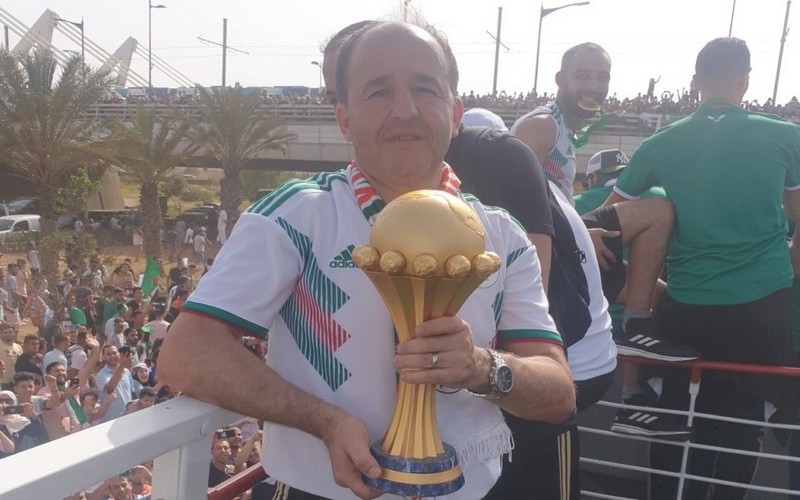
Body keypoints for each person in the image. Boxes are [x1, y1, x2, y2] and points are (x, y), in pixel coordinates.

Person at [159, 20, 575, 500]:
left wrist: (482, 367)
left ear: (456, 112)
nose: (405, 110)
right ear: (344, 119)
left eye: (426, 89)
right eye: (378, 92)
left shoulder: (503, 234)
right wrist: (323, 421)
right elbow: (186, 353)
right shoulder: (294, 216)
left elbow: (558, 393)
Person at [603, 38, 800, 500]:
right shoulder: (785, 135)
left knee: (675, 420)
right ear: (744, 79)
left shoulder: (661, 142)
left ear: (694, 83)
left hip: (686, 308)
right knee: (740, 425)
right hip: (761, 309)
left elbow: (607, 223)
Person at [95, 345, 135, 423]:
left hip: (128, 418)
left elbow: (131, 394)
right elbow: (110, 389)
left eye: (114, 353)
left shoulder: (126, 372)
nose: (112, 356)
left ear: (119, 354)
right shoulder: (101, 375)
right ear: (104, 357)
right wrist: (122, 366)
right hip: (110, 421)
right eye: (108, 354)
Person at [0, 322, 22, 390]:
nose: (8, 334)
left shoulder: (18, 347)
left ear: (14, 333)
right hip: (2, 382)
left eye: (10, 332)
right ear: (0, 334)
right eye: (5, 332)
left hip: (15, 382)